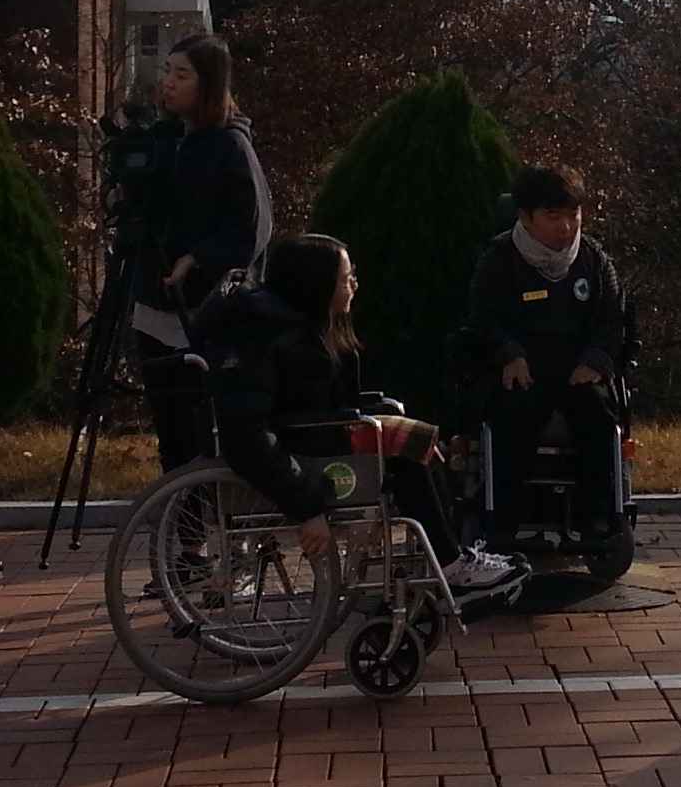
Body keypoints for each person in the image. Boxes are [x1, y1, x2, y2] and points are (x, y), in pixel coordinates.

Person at [199, 233, 530, 601]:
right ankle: (451, 566)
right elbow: (246, 433)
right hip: (295, 453)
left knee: (414, 436)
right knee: (400, 445)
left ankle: (449, 557)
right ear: (314, 285)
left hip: (314, 435)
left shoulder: (300, 329)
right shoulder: (259, 338)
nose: (355, 284)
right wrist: (305, 509)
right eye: (346, 278)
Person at [464, 166, 625, 550]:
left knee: (597, 414)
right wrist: (509, 354)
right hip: (522, 371)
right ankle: (503, 521)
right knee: (513, 415)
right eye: (554, 217)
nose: (566, 227)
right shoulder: (499, 259)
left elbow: (613, 319)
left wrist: (595, 360)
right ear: (525, 216)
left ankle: (596, 517)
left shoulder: (594, 260)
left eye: (573, 215)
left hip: (577, 370)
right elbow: (485, 318)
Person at [134, 32, 271, 471]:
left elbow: (249, 229)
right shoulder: (163, 139)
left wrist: (196, 258)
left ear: (208, 83)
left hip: (205, 311)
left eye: (182, 74)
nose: (169, 83)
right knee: (170, 431)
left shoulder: (230, 145)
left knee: (200, 428)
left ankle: (212, 509)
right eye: (167, 71)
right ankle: (182, 514)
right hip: (153, 305)